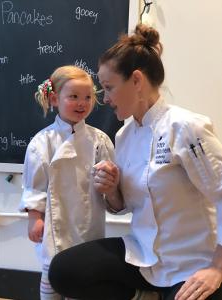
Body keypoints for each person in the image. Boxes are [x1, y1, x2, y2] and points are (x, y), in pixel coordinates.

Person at [48, 24, 222, 300]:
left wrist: (216, 268)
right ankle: (142, 296)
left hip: (190, 265)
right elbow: (123, 206)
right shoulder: (124, 135)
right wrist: (111, 189)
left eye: (108, 88)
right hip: (142, 256)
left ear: (137, 81)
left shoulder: (187, 127)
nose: (104, 99)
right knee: (63, 271)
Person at [19, 65, 114, 300]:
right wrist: (34, 218)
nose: (82, 103)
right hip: (55, 221)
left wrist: (110, 183)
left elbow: (112, 179)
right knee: (51, 270)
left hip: (88, 218)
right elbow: (34, 185)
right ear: (54, 99)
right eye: (73, 97)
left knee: (81, 276)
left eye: (88, 97)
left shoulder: (99, 140)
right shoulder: (42, 142)